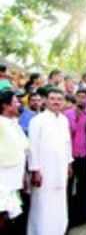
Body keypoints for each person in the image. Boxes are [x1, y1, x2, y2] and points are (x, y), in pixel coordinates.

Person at [27, 88, 73, 235]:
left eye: (59, 99)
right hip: (43, 170)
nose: (56, 102)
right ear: (46, 100)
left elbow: (67, 143)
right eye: (52, 98)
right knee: (42, 203)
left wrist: (69, 163)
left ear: (64, 102)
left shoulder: (64, 120)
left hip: (60, 168)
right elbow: (32, 147)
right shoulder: (37, 121)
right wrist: (35, 170)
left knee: (59, 201)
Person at [0, 91, 29, 235]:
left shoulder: (14, 124)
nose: (19, 104)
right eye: (15, 102)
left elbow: (22, 149)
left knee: (11, 216)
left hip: (14, 180)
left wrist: (23, 176)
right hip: (2, 181)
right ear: (6, 105)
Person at [64, 89, 86, 228]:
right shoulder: (68, 114)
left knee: (83, 186)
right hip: (71, 156)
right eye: (79, 97)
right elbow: (68, 135)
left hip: (84, 154)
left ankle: (82, 215)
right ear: (75, 98)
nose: (82, 99)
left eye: (84, 97)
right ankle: (67, 219)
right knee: (68, 188)